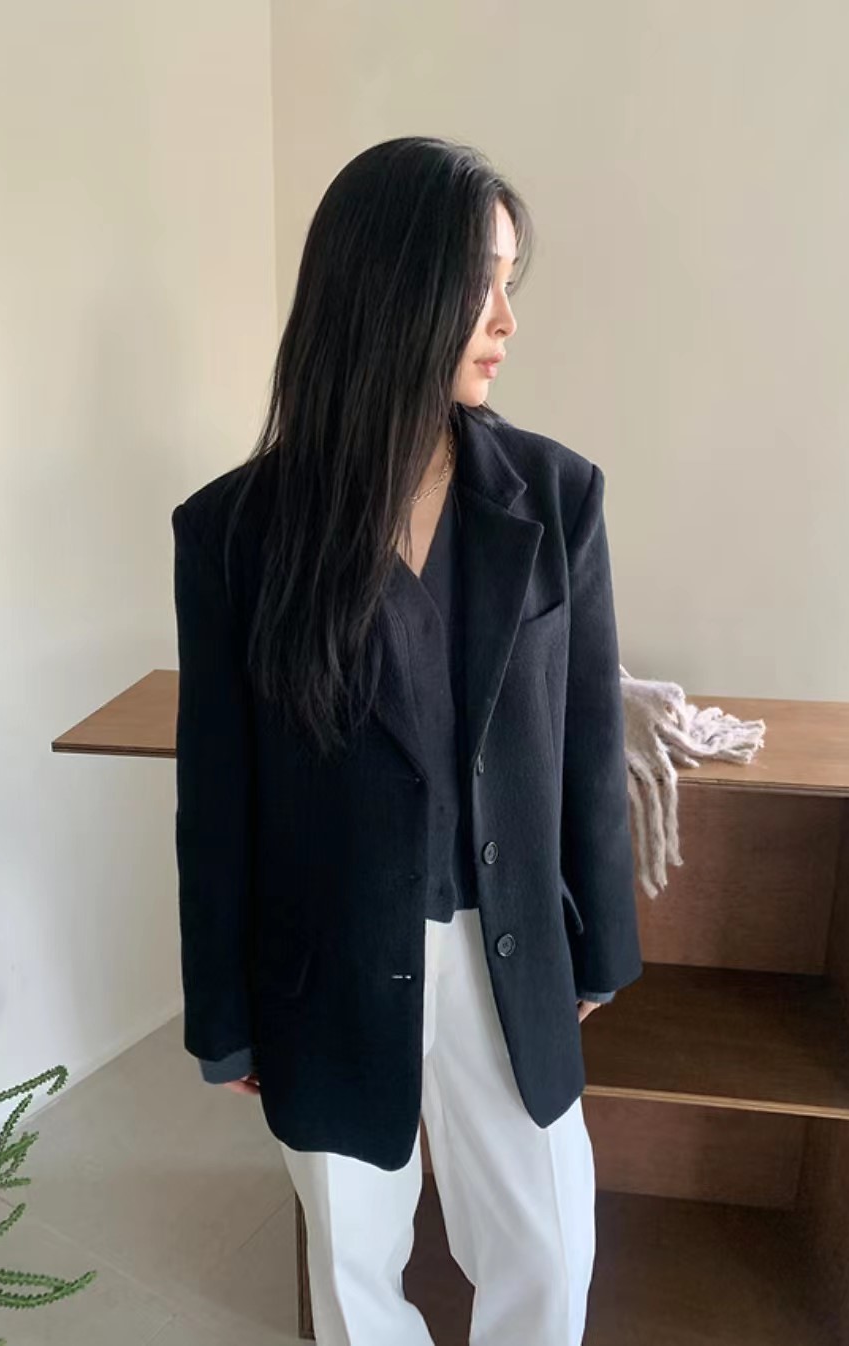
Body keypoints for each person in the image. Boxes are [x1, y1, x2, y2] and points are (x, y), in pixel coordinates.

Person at [171, 136, 643, 1346]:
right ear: (390, 287)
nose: (505, 320)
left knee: (549, 1247)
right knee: (352, 1266)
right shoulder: (235, 532)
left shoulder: (556, 497)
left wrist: (598, 948)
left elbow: (587, 744)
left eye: (509, 283)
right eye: (479, 283)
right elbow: (216, 799)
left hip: (506, 943)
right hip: (323, 961)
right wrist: (221, 1009)